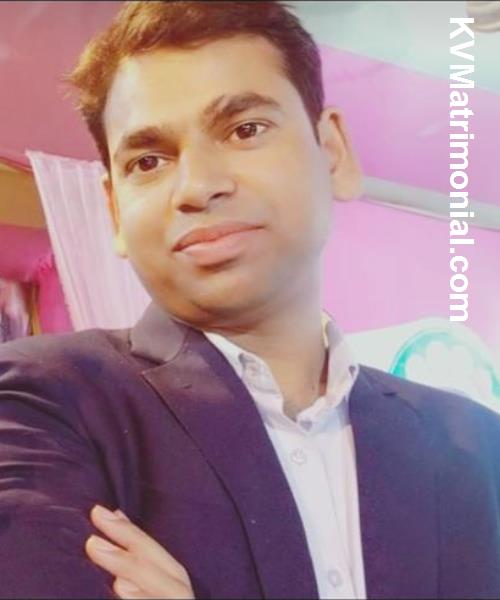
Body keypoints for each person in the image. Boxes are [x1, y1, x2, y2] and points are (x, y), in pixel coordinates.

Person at [1, 2, 500, 599]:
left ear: (332, 152)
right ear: (114, 208)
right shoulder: (42, 401)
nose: (197, 186)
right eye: (149, 161)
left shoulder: (475, 442)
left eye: (245, 129)